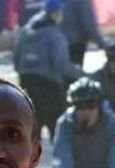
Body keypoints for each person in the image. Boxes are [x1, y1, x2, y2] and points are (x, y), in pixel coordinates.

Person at [13, 0, 82, 142]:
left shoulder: (25, 31)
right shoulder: (55, 35)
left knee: (31, 127)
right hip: (49, 86)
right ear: (56, 14)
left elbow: (16, 60)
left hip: (27, 84)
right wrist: (82, 74)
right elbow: (61, 66)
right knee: (58, 128)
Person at [59, 0, 106, 68]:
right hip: (75, 44)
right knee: (74, 73)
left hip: (57, 42)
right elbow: (89, 24)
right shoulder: (82, 2)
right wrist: (102, 43)